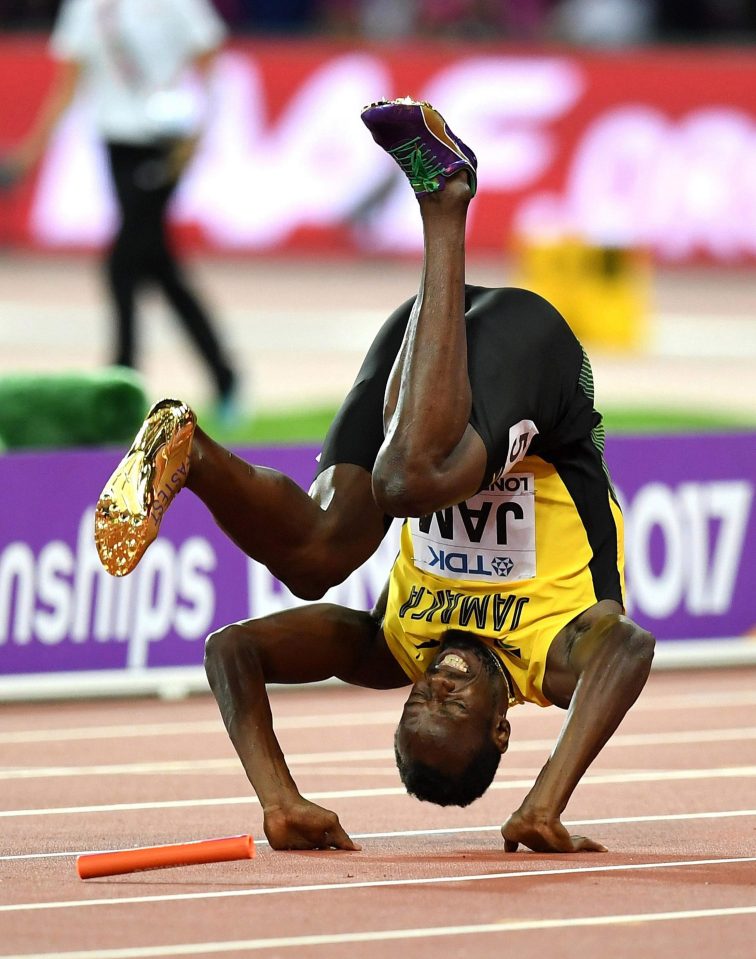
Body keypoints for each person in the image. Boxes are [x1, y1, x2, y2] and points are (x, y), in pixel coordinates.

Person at [94, 97, 655, 854]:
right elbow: (631, 649)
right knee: (407, 483)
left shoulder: (398, 645)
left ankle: (188, 451)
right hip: (535, 362)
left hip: (424, 347)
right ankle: (444, 197)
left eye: (417, 703)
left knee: (317, 558)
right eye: (450, 707)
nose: (435, 687)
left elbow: (233, 649)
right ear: (500, 724)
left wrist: (278, 796)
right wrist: (543, 802)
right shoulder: (556, 654)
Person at [3, 0, 238, 415]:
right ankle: (224, 377)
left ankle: (121, 380)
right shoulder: (85, 8)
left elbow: (211, 61)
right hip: (116, 145)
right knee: (157, 264)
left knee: (122, 262)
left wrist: (199, 131)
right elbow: (68, 85)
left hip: (165, 144)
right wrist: (28, 156)